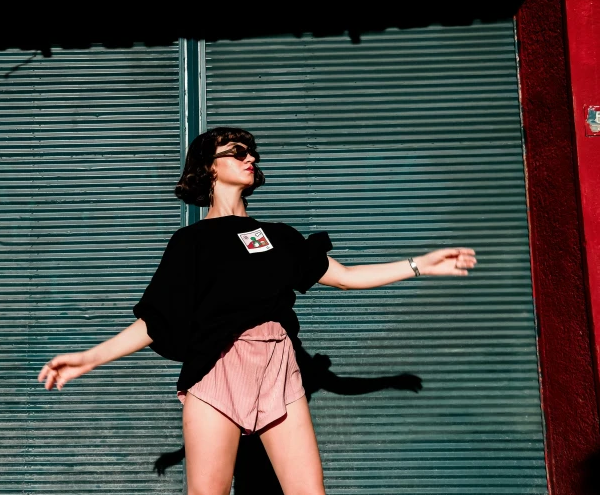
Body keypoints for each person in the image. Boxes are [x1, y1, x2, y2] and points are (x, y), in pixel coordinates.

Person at [38, 127, 477, 495]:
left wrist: (419, 265)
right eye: (238, 152)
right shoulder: (191, 243)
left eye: (253, 153)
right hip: (217, 371)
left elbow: (346, 276)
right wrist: (87, 359)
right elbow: (157, 320)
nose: (251, 158)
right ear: (210, 165)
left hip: (278, 369)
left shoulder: (279, 237)